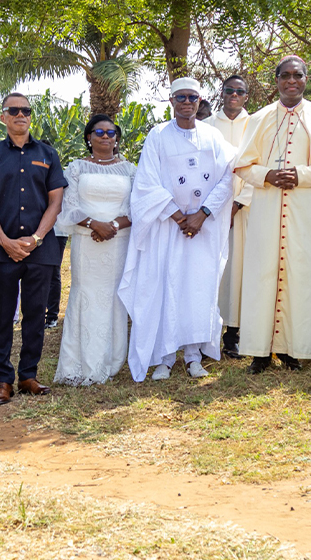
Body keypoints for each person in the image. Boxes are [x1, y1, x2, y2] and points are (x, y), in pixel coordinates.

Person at [234, 55, 311, 373]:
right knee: (262, 274)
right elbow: (242, 166)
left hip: (306, 209)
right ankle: (260, 351)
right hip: (266, 207)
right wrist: (268, 176)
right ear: (276, 80)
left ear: (305, 80)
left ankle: (293, 349)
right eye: (285, 75)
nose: (291, 80)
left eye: (297, 75)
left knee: (302, 275)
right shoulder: (259, 118)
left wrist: (300, 175)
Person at [118, 78, 234, 381]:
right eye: (180, 97)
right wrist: (179, 217)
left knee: (198, 288)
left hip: (203, 230)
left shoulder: (213, 135)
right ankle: (165, 358)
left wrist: (202, 215)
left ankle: (194, 356)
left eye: (192, 97)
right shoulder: (158, 135)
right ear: (171, 101)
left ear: (199, 101)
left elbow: (228, 177)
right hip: (168, 228)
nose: (186, 102)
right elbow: (147, 181)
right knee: (166, 287)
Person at [0, 93, 66, 405]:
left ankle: (28, 375)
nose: (20, 115)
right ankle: (3, 381)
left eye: (25, 110)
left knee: (35, 315)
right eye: (13, 110)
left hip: (41, 250)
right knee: (2, 317)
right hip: (3, 251)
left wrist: (37, 238)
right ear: (3, 117)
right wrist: (4, 241)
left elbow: (56, 202)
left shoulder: (47, 154)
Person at [54, 115, 137, 385]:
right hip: (86, 241)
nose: (105, 136)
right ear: (89, 137)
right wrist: (94, 224)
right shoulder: (76, 168)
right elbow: (69, 205)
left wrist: (112, 226)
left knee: (113, 297)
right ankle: (79, 363)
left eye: (110, 132)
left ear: (117, 138)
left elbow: (136, 206)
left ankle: (110, 361)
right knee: (85, 295)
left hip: (118, 241)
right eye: (99, 132)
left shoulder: (129, 170)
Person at [205, 75, 251, 359]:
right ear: (222, 93)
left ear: (246, 96)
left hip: (246, 211)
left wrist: (237, 204)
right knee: (213, 271)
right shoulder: (207, 125)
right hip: (210, 211)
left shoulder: (256, 124)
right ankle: (206, 333)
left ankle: (234, 335)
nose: (234, 95)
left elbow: (260, 166)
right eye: (229, 90)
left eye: (239, 91)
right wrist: (215, 207)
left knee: (239, 272)